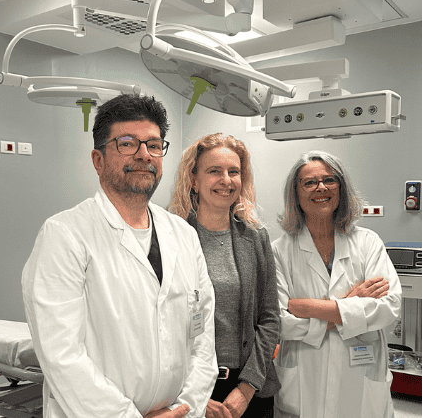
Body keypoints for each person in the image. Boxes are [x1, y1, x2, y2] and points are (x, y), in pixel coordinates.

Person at [22, 94, 218, 418]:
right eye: (127, 144)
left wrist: (185, 409)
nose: (144, 154)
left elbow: (203, 337)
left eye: (154, 145)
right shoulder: (64, 235)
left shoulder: (183, 235)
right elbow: (62, 355)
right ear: (98, 160)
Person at [271, 151, 402, 418]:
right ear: (295, 192)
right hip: (304, 380)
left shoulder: (368, 242)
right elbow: (280, 322)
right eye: (309, 182)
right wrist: (351, 305)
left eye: (329, 180)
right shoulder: (279, 251)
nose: (321, 187)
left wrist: (305, 307)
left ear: (341, 188)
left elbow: (389, 307)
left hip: (360, 378)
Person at [168, 133, 280, 418]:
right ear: (194, 180)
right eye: (214, 171)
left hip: (250, 388)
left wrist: (247, 388)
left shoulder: (256, 238)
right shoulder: (171, 238)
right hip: (189, 388)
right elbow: (162, 323)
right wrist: (194, 394)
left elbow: (270, 318)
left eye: (234, 172)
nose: (226, 180)